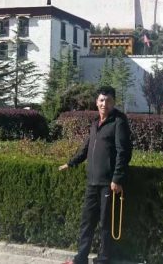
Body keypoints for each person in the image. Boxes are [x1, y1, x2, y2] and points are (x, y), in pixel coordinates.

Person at [59, 86, 133, 264]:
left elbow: (124, 152)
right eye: (101, 100)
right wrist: (71, 163)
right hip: (92, 182)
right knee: (87, 222)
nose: (104, 104)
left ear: (114, 102)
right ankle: (81, 258)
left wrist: (117, 179)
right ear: (96, 102)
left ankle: (103, 260)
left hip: (108, 183)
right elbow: (86, 147)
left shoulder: (119, 121)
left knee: (105, 223)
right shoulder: (95, 123)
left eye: (108, 101)